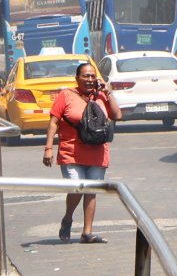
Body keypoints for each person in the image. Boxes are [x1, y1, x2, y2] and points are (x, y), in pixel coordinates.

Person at [43, 62, 121, 244]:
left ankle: (87, 233)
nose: (89, 79)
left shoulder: (101, 96)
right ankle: (68, 218)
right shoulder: (66, 95)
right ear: (77, 78)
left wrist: (108, 92)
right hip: (71, 151)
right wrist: (48, 148)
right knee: (77, 187)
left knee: (92, 190)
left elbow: (117, 116)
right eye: (85, 76)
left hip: (97, 152)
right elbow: (53, 122)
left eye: (93, 76)